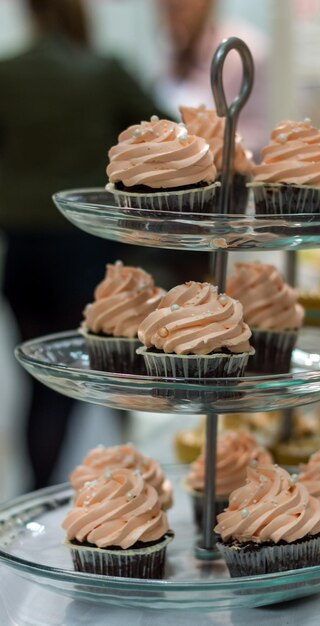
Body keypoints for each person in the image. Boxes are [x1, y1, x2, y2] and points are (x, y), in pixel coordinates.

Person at [0, 0, 171, 490]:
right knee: (89, 379)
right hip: (80, 248)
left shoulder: (7, 74)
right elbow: (162, 133)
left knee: (41, 384)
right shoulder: (104, 72)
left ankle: (38, 496)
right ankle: (124, 497)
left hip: (23, 253)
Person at [155, 0, 270, 156]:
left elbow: (258, 136)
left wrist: (206, 145)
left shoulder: (241, 53)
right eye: (166, 9)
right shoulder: (175, 50)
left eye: (179, 9)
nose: (170, 16)